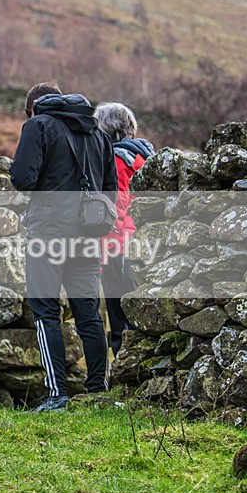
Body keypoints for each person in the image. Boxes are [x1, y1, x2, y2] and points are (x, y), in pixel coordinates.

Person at [10, 83, 117, 412]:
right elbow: (110, 189)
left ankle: (57, 394)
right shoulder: (97, 131)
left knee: (45, 311)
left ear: (34, 107)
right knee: (88, 313)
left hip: (48, 230)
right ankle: (98, 389)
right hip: (87, 231)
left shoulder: (37, 125)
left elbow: (22, 179)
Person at [93, 103, 153, 356]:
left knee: (120, 320)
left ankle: (124, 371)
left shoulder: (115, 159)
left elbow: (116, 207)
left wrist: (105, 252)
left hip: (119, 246)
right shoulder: (143, 156)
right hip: (143, 243)